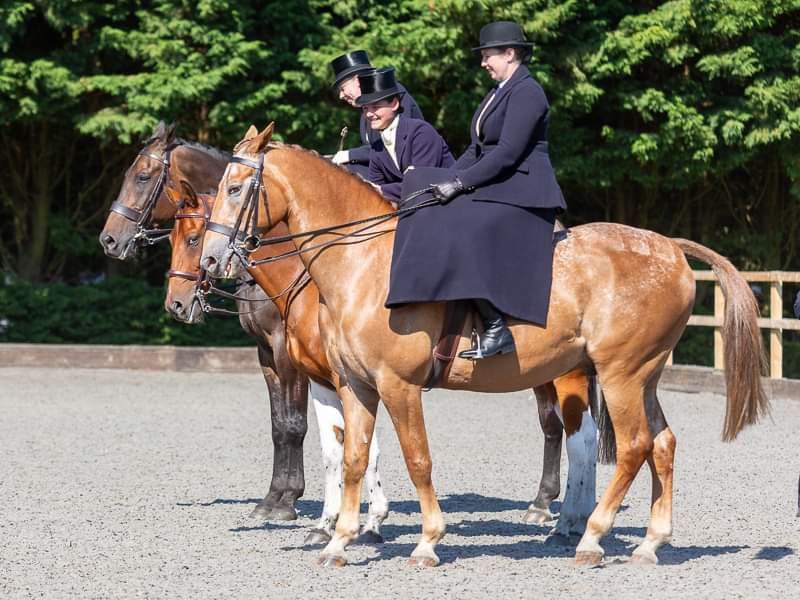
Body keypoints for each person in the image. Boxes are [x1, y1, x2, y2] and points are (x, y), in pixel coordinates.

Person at [385, 21, 567, 360]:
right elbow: (477, 148)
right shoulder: (498, 91)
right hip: (502, 182)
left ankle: (496, 326)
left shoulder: (528, 92)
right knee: (418, 188)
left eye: (488, 56)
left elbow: (507, 152)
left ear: (510, 54)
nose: (483, 63)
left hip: (525, 190)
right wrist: (439, 178)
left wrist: (458, 184)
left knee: (463, 225)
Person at [354, 68, 454, 202]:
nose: (369, 114)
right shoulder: (377, 148)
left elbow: (421, 184)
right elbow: (374, 187)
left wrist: (380, 190)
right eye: (365, 108)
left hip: (446, 204)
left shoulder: (421, 132)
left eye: (375, 106)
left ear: (395, 104)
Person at [329, 50, 424, 177]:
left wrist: (349, 155)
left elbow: (394, 145)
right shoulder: (366, 112)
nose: (341, 95)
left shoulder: (392, 94)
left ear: (357, 80)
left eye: (342, 88)